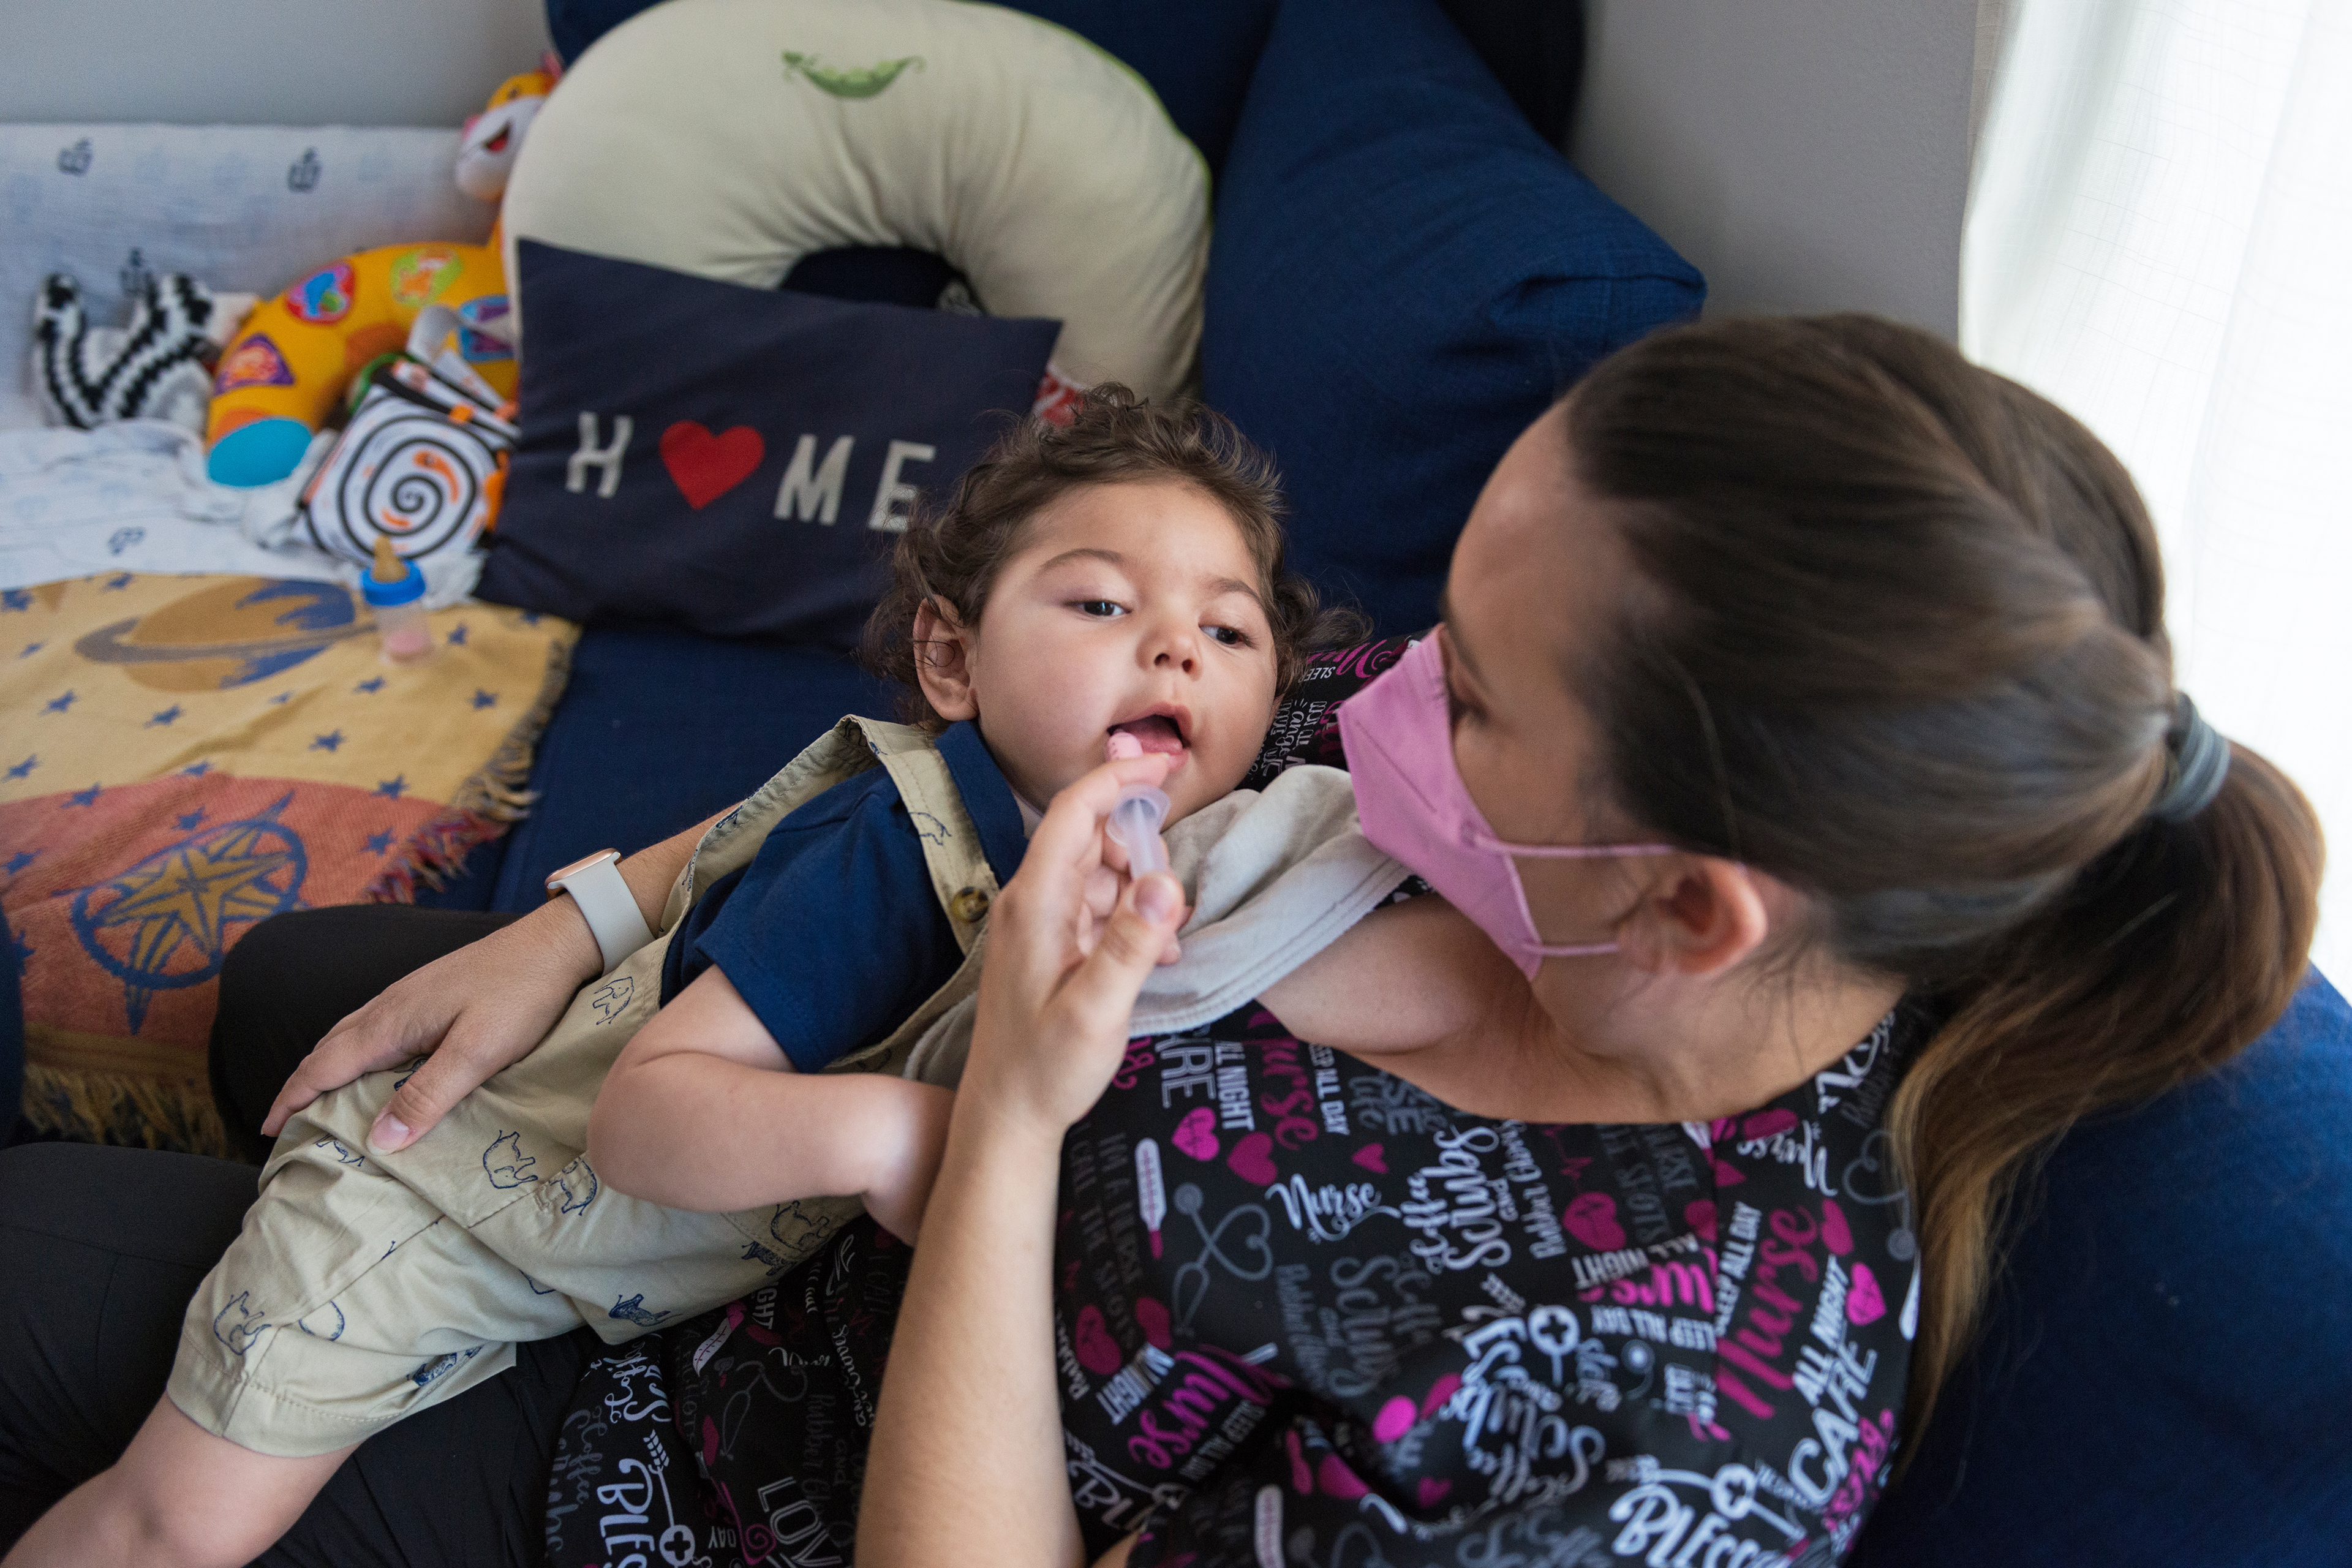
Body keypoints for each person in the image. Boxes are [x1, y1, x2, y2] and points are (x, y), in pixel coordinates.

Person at [0, 315, 2320, 1568]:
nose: (1366, 688)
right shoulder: (1417, 787)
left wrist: (1000, 1121)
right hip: (703, 1252)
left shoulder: (1655, 1415)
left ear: (1693, 906)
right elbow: (998, 745)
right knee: (300, 994)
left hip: (688, 1499)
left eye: (1473, 696)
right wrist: (597, 915)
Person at [0, 387, 1353, 1568]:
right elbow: (643, 1117)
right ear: (952, 657)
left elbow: (722, 864)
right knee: (180, 1526)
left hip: (586, 1279)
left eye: (1229, 634)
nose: (1176, 647)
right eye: (1104, 603)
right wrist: (903, 1133)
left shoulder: (1142, 859)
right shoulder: (895, 855)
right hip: (428, 1217)